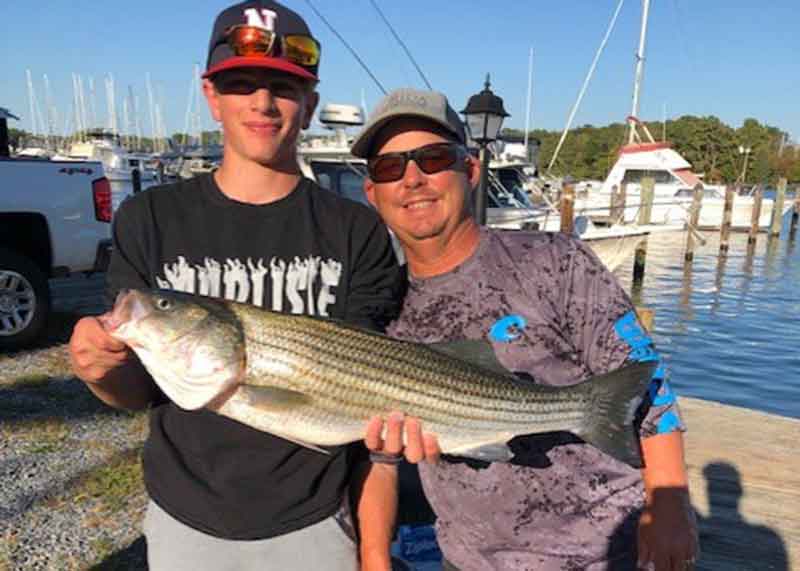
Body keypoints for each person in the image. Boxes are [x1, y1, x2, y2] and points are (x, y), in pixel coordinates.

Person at [68, 2, 404, 569]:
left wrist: (374, 552)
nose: (263, 103)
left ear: (311, 104)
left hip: (317, 519)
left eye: (283, 87)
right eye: (242, 84)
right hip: (184, 517)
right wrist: (99, 371)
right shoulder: (150, 218)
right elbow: (134, 393)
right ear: (211, 97)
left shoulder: (355, 228)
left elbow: (372, 389)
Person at [351, 88, 699, 571]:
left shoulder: (553, 259)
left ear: (470, 170)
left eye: (432, 158)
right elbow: (379, 461)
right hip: (470, 560)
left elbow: (645, 380)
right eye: (390, 168)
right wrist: (373, 558)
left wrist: (669, 502)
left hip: (603, 552)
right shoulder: (382, 305)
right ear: (373, 193)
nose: (412, 179)